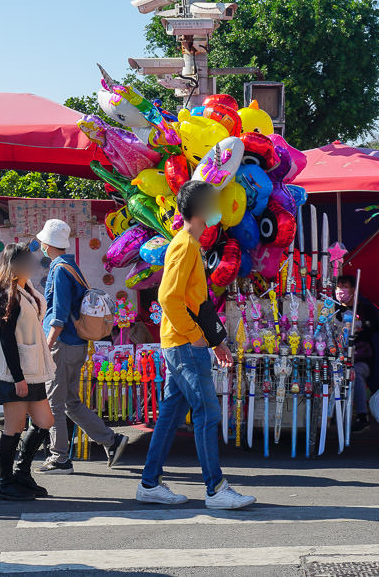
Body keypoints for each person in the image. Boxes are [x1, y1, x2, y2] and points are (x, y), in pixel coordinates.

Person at [137, 181, 255, 510]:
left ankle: (150, 483)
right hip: (184, 345)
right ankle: (215, 488)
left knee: (172, 412)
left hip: (183, 343)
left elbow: (196, 301)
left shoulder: (189, 244)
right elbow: (168, 298)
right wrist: (195, 336)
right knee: (207, 411)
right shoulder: (185, 245)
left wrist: (215, 341)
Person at [36, 219, 128, 474]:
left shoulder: (59, 270)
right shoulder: (72, 266)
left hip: (62, 345)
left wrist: (47, 344)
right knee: (70, 402)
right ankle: (112, 440)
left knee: (55, 402)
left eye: (42, 241)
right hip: (77, 346)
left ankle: (60, 457)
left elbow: (59, 314)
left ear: (47, 244)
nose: (40, 245)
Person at [0, 243, 56, 501]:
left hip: (32, 367)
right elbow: (6, 340)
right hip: (13, 371)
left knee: (44, 421)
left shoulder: (27, 289)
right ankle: (5, 482)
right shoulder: (7, 295)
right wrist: (18, 378)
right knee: (13, 426)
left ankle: (22, 473)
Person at [334, 274, 379, 431]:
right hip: (337, 357)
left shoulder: (365, 309)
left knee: (355, 374)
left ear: (354, 289)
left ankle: (362, 416)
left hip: (361, 359)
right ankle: (332, 414)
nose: (341, 291)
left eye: (345, 287)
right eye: (338, 287)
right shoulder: (334, 309)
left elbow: (374, 327)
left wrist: (360, 326)